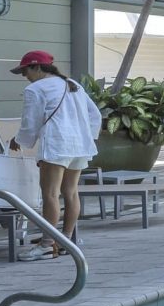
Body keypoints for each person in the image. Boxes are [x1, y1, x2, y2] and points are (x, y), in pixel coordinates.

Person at [6, 50, 102, 241]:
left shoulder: (35, 89)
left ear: (37, 67)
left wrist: (20, 140)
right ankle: (66, 240)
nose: (25, 77)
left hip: (57, 145)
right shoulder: (73, 84)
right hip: (80, 145)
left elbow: (30, 122)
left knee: (50, 193)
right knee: (71, 192)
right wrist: (87, 137)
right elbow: (95, 115)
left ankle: (48, 243)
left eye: (26, 71)